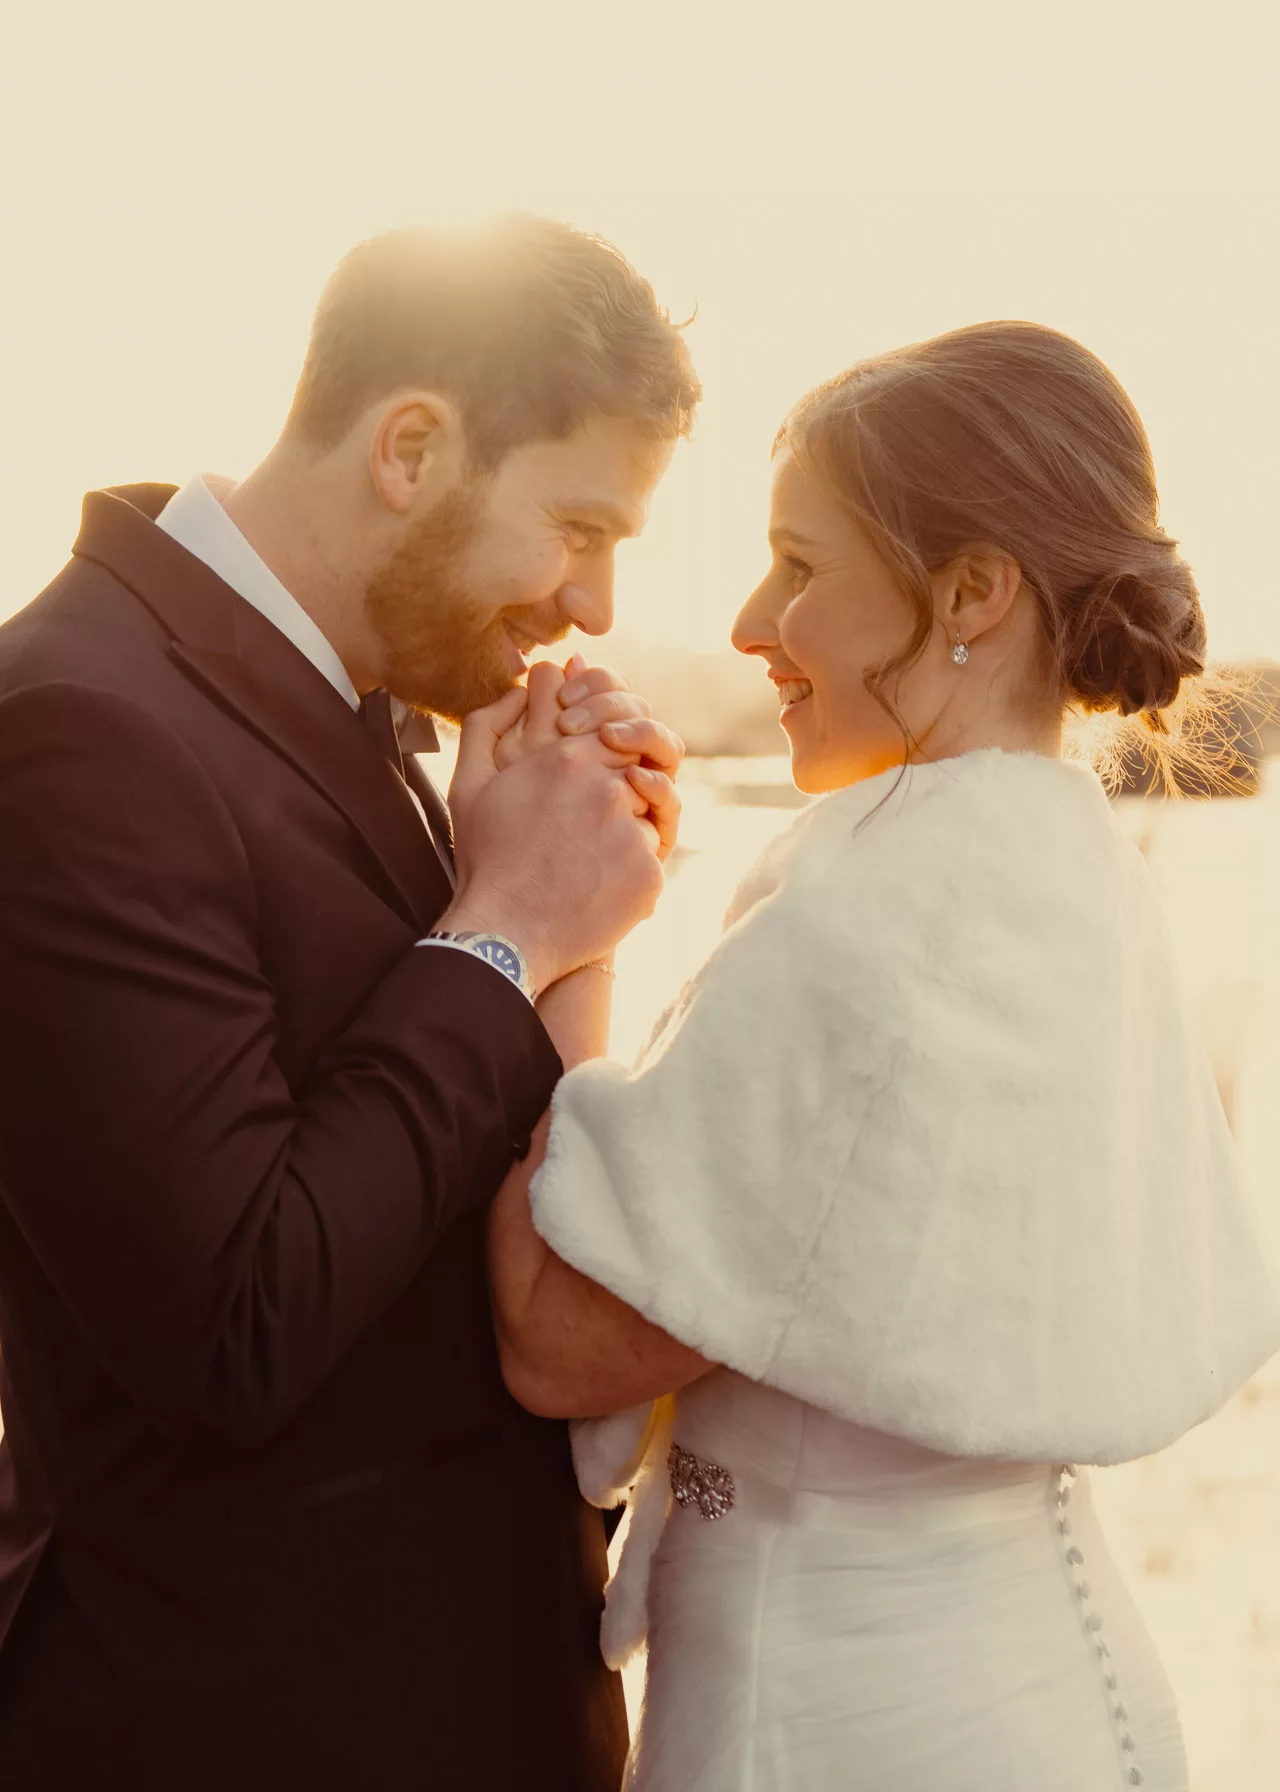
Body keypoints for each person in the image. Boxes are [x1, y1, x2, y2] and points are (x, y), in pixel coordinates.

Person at [486, 321, 1280, 1791]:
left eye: (798, 565)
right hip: (1044, 1685)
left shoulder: (878, 914)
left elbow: (561, 1332)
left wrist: (552, 927)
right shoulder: (1066, 866)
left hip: (841, 1722)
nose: (745, 622)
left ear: (970, 591)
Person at [0, 215, 699, 1789]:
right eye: (579, 525)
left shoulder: (365, 709)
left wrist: (571, 916)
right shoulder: (75, 722)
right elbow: (233, 1324)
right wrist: (507, 924)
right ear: (409, 446)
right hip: (244, 1728)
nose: (592, 603)